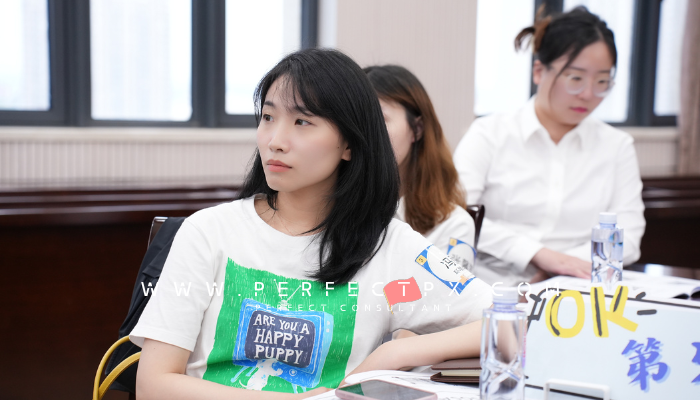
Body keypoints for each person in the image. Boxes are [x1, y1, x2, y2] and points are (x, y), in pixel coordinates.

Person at [129, 48, 492, 400]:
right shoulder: (208, 232)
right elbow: (154, 385)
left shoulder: (390, 246)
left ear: (349, 144)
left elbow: (509, 321)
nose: (275, 141)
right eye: (268, 117)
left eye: (302, 122)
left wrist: (395, 354)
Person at [453, 6, 646, 287]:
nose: (588, 94)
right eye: (576, 78)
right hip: (488, 285)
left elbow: (629, 236)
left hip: (577, 287)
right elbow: (457, 214)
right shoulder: (489, 134)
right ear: (539, 71)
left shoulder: (617, 146)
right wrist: (538, 255)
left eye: (602, 81)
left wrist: (564, 267)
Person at [364, 64, 477, 271]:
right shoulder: (327, 208)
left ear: (417, 129)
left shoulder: (452, 225)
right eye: (356, 120)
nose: (364, 133)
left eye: (379, 119)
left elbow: (445, 292)